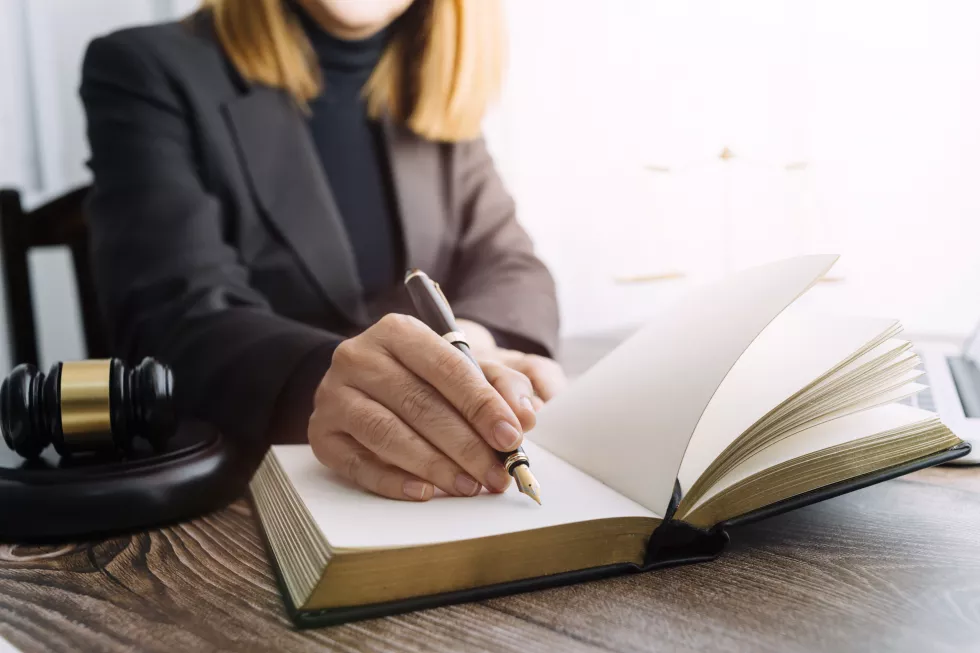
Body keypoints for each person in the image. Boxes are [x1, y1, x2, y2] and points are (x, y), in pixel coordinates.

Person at [79, 0, 564, 502]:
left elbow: (512, 265)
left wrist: (472, 350)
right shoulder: (144, 67)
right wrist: (333, 380)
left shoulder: (425, 73)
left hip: (431, 493)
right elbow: (175, 319)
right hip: (240, 490)